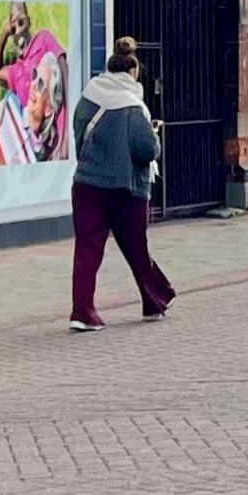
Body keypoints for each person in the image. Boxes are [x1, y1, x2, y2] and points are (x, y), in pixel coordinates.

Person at [68, 39, 173, 330]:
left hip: (87, 185)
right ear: (133, 72)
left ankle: (82, 311)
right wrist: (154, 135)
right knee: (136, 247)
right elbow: (145, 150)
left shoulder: (87, 98)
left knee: (87, 251)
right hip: (126, 190)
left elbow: (78, 138)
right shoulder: (132, 104)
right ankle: (153, 301)